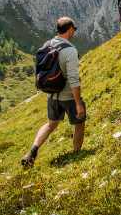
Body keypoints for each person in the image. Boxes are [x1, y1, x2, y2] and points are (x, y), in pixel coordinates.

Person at [21, 17, 86, 169]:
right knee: (79, 123)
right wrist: (78, 104)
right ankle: (76, 154)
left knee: (51, 124)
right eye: (74, 29)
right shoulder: (70, 50)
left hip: (52, 94)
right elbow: (74, 80)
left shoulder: (47, 45)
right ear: (69, 29)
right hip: (68, 96)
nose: (74, 32)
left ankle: (33, 151)